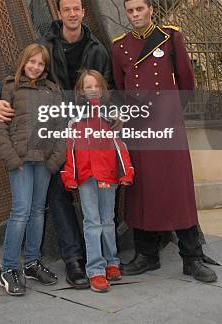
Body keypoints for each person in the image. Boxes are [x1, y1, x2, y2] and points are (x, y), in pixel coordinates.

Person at [0, 0, 113, 289]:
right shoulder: (45, 47)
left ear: (83, 12)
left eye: (76, 9)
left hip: (82, 136)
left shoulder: (98, 50)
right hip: (42, 146)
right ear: (59, 14)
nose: (72, 14)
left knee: (83, 197)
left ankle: (99, 257)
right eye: (66, 10)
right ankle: (70, 261)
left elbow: (109, 91)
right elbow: (13, 88)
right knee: (46, 200)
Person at [111, 0, 217, 283]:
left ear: (151, 10)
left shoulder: (170, 37)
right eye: (130, 11)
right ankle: (147, 256)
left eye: (139, 9)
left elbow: (186, 80)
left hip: (168, 124)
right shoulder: (119, 47)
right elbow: (121, 88)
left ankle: (192, 258)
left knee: (177, 189)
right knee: (142, 189)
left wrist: (171, 111)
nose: (134, 15)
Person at [0, 43, 65, 296]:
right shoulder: (10, 87)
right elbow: (1, 129)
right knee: (21, 211)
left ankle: (32, 263)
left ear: (45, 67)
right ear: (24, 62)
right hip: (21, 162)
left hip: (43, 162)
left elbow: (60, 128)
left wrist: (54, 160)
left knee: (37, 212)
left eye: (40, 64)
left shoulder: (52, 90)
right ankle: (9, 268)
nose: (35, 67)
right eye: (31, 62)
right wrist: (12, 159)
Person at [61, 70, 134, 292]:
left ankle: (112, 262)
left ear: (102, 89)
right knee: (92, 223)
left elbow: (119, 147)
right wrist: (70, 174)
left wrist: (126, 171)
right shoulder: (75, 118)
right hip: (86, 177)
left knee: (108, 221)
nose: (92, 89)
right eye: (87, 86)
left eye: (96, 85)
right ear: (81, 91)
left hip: (108, 175)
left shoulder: (110, 115)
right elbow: (71, 150)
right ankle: (96, 270)